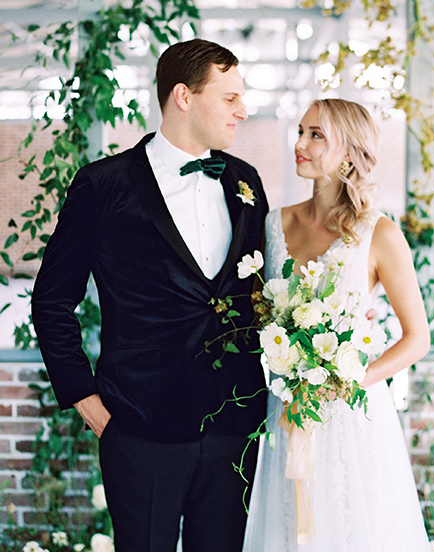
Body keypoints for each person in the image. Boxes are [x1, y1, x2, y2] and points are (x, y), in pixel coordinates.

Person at [31, 39, 269, 552]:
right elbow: (51, 301)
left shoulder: (246, 184)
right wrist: (88, 402)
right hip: (140, 429)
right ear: (184, 96)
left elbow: (260, 295)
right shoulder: (103, 186)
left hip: (236, 427)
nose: (242, 111)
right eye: (229, 98)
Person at [243, 98, 431, 552]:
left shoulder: (379, 232)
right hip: (286, 410)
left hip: (352, 415)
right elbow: (257, 314)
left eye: (316, 135)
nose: (299, 144)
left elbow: (417, 338)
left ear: (349, 152)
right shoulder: (274, 223)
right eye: (301, 131)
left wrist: (350, 380)